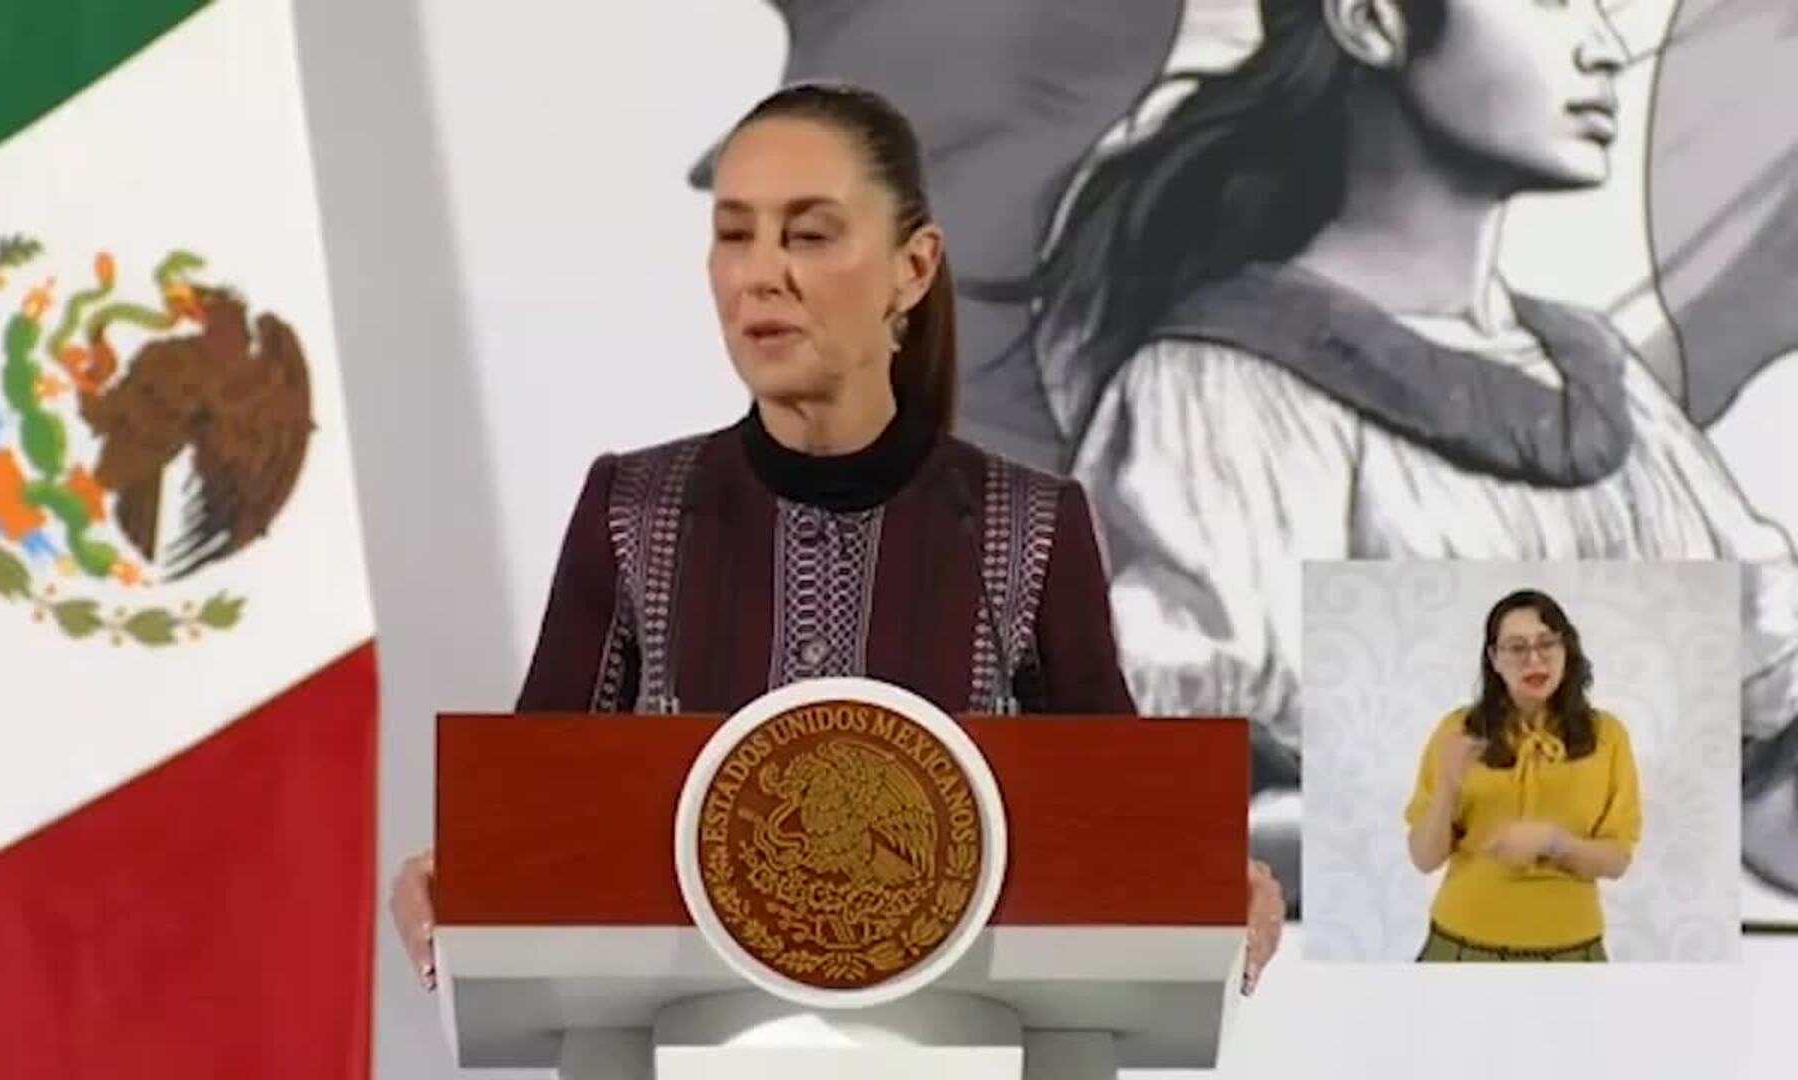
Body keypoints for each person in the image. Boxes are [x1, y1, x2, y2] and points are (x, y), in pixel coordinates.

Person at [388, 81, 1286, 993]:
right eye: (734, 234)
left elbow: (1123, 836)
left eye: (809, 235)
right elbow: (534, 823)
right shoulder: (633, 512)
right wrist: (463, 876)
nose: (759, 274)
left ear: (913, 269)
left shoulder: (1029, 526)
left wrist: (1204, 882)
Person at [1014, 0, 1798, 906]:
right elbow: (1122, 800)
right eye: (1549, 1)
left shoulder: (1611, 390)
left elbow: (1764, 732)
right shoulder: (1217, 395)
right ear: (1373, 19)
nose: (1605, 47)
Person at [1405, 589, 1640, 961]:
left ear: (1567, 649)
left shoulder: (1608, 736)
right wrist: (1447, 787)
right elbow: (1424, 859)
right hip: (1460, 944)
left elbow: (1617, 861)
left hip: (1571, 949)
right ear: (1494, 659)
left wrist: (1555, 843)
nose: (1534, 659)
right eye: (1516, 648)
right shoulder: (1458, 731)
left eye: (1547, 643)